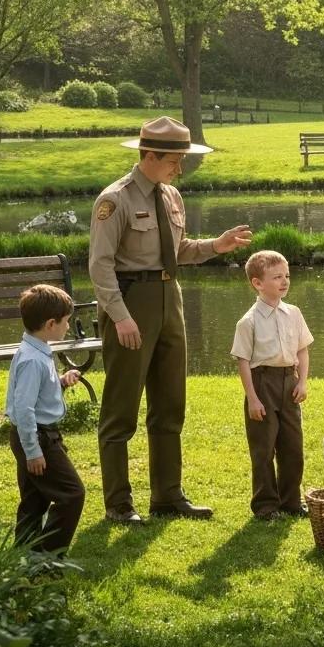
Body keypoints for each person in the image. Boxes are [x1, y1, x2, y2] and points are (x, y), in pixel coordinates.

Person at [89, 116, 252, 525]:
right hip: (131, 301)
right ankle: (119, 504)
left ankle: (166, 496)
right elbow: (100, 267)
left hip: (169, 298)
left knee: (170, 403)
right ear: (149, 155)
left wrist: (217, 245)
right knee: (120, 409)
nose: (179, 169)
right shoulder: (115, 199)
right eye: (174, 161)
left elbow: (176, 250)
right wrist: (121, 317)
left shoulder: (171, 197)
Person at [230, 250, 313, 521]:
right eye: (277, 277)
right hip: (262, 382)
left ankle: (291, 501)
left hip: (289, 382)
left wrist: (302, 382)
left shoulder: (294, 313)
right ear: (257, 283)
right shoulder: (249, 321)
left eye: (286, 275)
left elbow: (302, 351)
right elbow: (243, 362)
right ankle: (266, 505)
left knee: (292, 446)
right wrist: (253, 398)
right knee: (264, 447)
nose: (285, 281)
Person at [5, 283, 86, 553]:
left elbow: (35, 397)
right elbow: (24, 407)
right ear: (50, 324)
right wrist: (33, 451)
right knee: (72, 494)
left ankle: (23, 557)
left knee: (34, 501)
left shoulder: (37, 350)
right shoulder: (32, 360)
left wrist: (61, 383)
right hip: (37, 437)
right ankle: (46, 557)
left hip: (34, 435)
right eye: (65, 322)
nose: (67, 327)